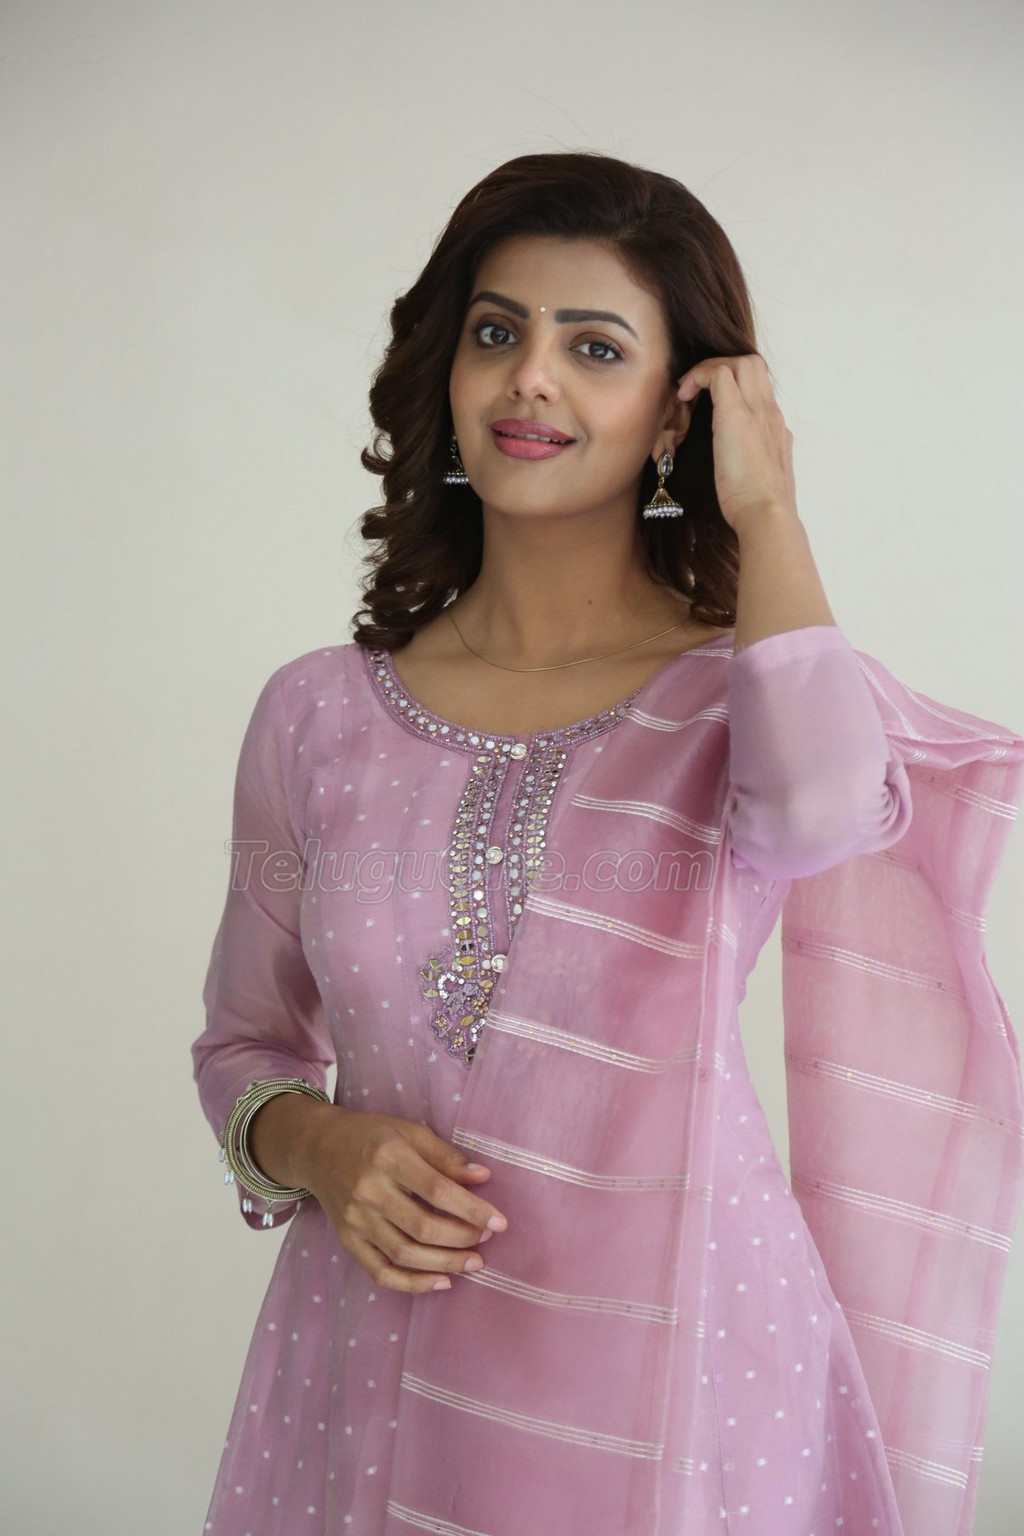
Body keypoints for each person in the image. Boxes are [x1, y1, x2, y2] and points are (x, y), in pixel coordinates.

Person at [192, 153, 1023, 1536]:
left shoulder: (740, 699)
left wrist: (769, 510)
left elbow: (825, 813)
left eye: (595, 348)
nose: (531, 379)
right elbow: (243, 1045)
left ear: (676, 413)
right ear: (446, 370)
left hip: (677, 1371)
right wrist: (321, 1146)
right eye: (496, 332)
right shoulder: (317, 717)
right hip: (371, 1357)